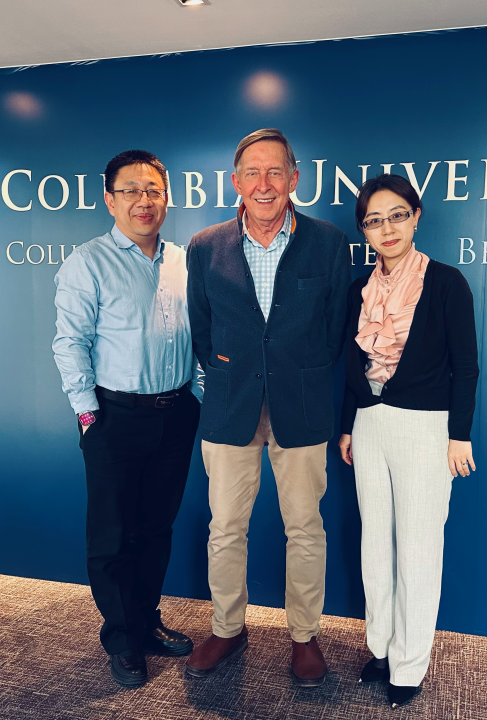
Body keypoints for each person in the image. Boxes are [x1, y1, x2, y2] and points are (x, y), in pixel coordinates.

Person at [185, 129, 351, 686]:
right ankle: (227, 628)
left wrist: (295, 370)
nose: (264, 184)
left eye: (275, 172)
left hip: (301, 405)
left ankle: (304, 636)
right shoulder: (205, 246)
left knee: (304, 527)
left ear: (294, 179)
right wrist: (231, 369)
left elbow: (334, 332)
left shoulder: (328, 243)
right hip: (230, 405)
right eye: (252, 173)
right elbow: (202, 331)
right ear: (235, 182)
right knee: (226, 528)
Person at [52, 150, 202, 688]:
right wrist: (87, 414)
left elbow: (199, 336)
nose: (144, 200)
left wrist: (197, 395)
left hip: (175, 414)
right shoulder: (87, 262)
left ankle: (146, 620)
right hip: (113, 416)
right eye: (131, 190)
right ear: (110, 199)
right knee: (112, 535)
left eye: (153, 190)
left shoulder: (185, 261)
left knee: (155, 528)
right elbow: (70, 342)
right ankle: (121, 637)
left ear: (167, 198)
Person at [338, 174, 479, 708]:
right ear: (364, 231)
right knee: (375, 543)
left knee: (418, 548)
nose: (387, 228)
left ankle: (410, 663)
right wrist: (348, 424)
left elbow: (466, 367)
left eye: (397, 215)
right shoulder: (358, 289)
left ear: (416, 216)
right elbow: (351, 366)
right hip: (369, 424)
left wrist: (459, 435)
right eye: (374, 220)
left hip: (426, 428)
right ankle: (380, 648)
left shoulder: (445, 282)